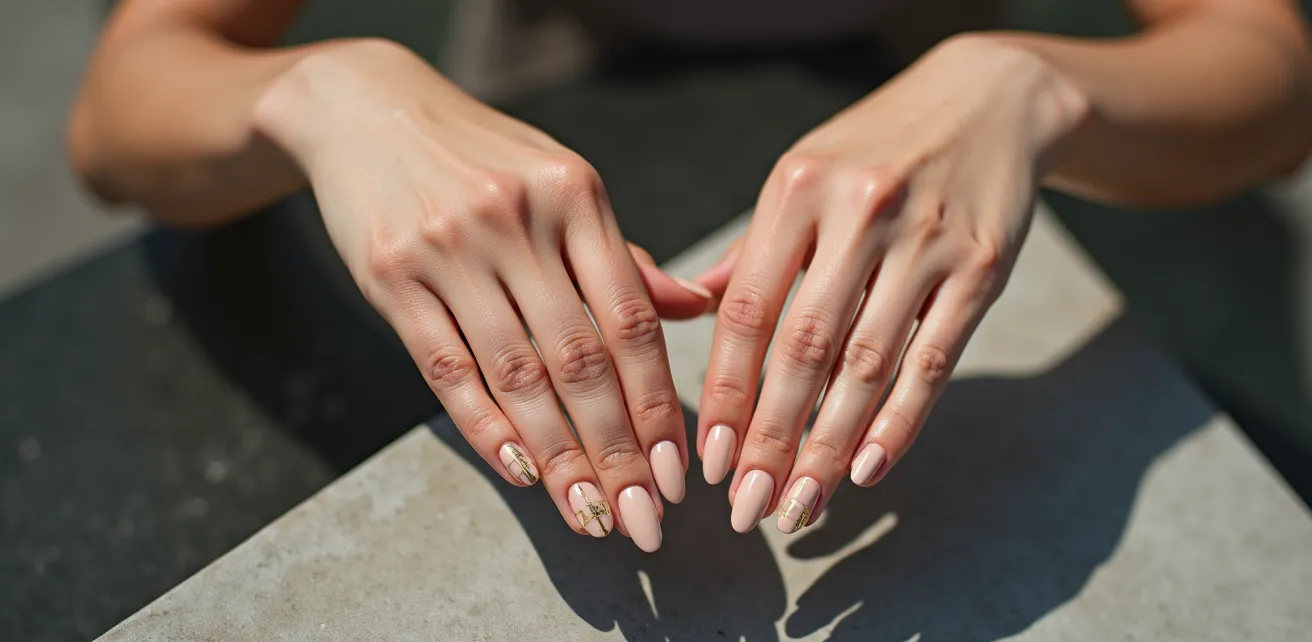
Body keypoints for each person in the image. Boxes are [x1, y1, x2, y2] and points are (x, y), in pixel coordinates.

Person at [68, 0, 1312, 553]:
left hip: (927, 148)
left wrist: (1036, 85)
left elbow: (1270, 73)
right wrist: (324, 96)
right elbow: (121, 119)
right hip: (537, 135)